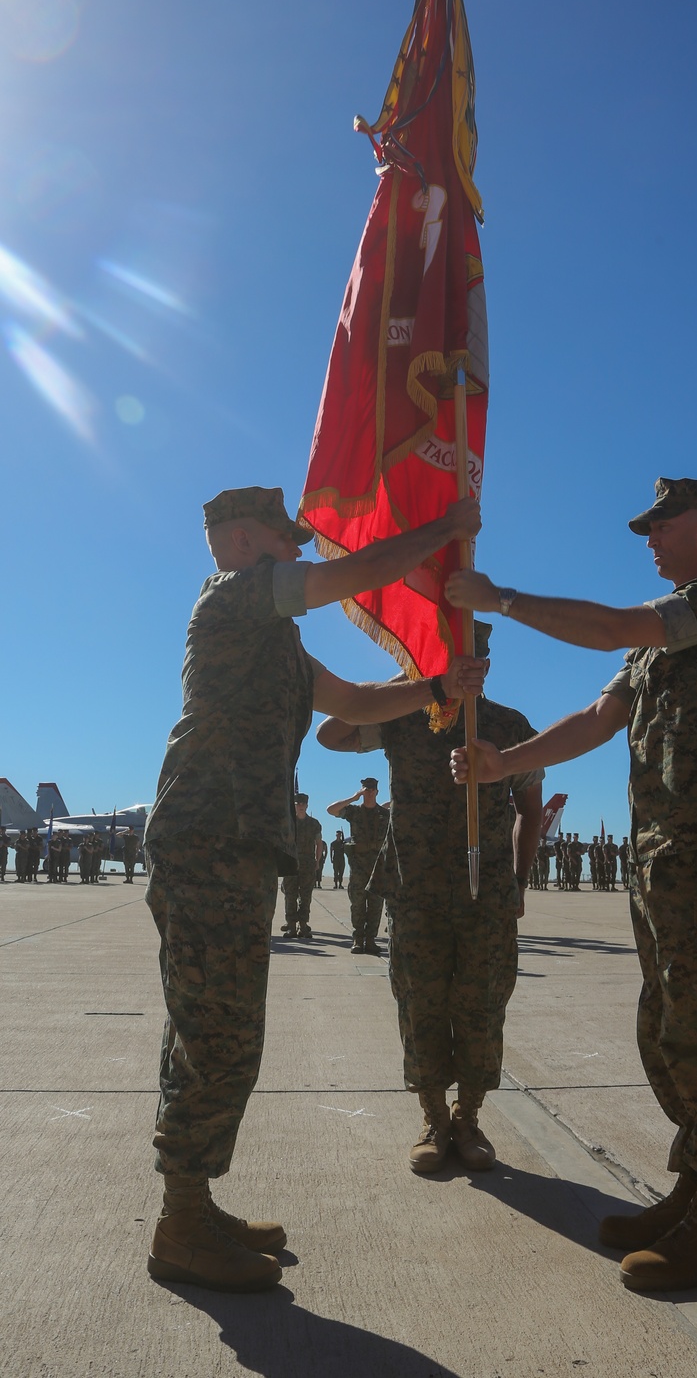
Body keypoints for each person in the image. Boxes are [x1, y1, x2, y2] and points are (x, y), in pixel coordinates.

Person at [142, 483, 482, 1294]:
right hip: (208, 840)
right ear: (238, 539)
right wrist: (440, 530)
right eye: (284, 538)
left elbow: (357, 704)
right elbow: (346, 577)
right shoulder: (230, 597)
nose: (298, 551)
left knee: (214, 1030)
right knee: (218, 1034)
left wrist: (438, 690)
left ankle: (191, 1202)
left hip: (239, 850)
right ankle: (181, 1223)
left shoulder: (282, 643)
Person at [446, 476, 697, 1293]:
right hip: (662, 856)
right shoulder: (653, 642)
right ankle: (695, 1190)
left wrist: (503, 599)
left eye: (659, 527)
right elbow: (597, 718)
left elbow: (610, 626)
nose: (649, 542)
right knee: (665, 1033)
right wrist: (504, 765)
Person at [318, 622, 543, 1175]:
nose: (465, 666)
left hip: (484, 891)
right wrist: (417, 678)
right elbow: (333, 733)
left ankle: (469, 1117)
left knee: (482, 1004)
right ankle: (433, 1118)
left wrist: (518, 881)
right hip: (415, 890)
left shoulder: (509, 726)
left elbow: (530, 808)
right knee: (420, 1004)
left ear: (486, 664)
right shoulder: (403, 716)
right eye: (447, 657)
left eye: (470, 658)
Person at [327, 780, 390, 954]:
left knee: (376, 904)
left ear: (377, 792)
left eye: (372, 790)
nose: (369, 793)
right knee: (357, 903)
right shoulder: (354, 812)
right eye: (366, 790)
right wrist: (354, 797)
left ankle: (370, 940)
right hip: (358, 866)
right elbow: (331, 810)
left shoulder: (384, 814)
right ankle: (357, 939)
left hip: (378, 865)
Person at [281, 795, 323, 939]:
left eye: (303, 803)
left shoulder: (314, 823)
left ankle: (303, 925)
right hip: (291, 862)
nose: (300, 806)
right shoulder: (288, 823)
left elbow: (319, 843)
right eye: (298, 803)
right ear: (294, 805)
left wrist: (318, 861)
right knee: (290, 895)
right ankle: (291, 926)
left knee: (306, 895)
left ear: (307, 805)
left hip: (307, 863)